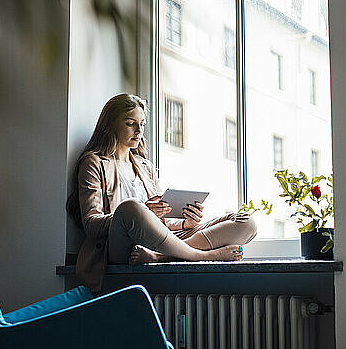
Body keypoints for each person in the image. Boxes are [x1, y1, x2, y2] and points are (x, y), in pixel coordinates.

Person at [67, 93, 257, 293]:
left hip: (155, 245)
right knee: (131, 207)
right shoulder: (94, 162)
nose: (139, 130)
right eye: (131, 123)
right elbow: (91, 224)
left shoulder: (144, 165)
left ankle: (161, 257)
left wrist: (185, 223)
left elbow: (161, 222)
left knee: (246, 223)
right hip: (121, 246)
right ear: (111, 124)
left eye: (142, 123)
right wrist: (144, 211)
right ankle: (199, 255)